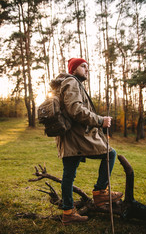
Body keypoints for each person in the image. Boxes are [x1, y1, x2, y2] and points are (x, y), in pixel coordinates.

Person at [50, 58, 123, 225]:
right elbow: (75, 110)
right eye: (83, 66)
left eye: (87, 67)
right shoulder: (71, 81)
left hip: (69, 138)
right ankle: (100, 193)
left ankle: (68, 212)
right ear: (73, 69)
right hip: (76, 138)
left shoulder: (69, 83)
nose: (86, 69)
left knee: (69, 174)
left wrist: (100, 124)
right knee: (110, 154)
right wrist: (100, 120)